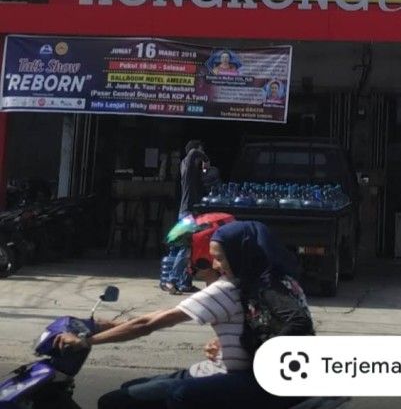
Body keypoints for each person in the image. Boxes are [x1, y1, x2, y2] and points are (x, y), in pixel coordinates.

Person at [56, 227, 250, 409]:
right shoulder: (248, 284)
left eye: (219, 258)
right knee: (130, 387)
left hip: (221, 376)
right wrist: (114, 325)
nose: (214, 264)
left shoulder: (227, 288)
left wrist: (86, 341)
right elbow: (169, 313)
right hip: (211, 368)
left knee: (113, 402)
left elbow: (148, 324)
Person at [164, 220, 314, 409]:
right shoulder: (256, 281)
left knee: (181, 394)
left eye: (220, 258)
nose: (215, 265)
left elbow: (300, 322)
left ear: (241, 253)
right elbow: (263, 322)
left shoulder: (270, 285)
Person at [166, 140, 208, 294]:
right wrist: (206, 159)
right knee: (186, 249)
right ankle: (171, 281)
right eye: (201, 150)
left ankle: (185, 283)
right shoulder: (188, 164)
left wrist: (204, 169)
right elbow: (193, 153)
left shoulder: (192, 170)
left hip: (190, 212)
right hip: (187, 213)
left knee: (191, 249)